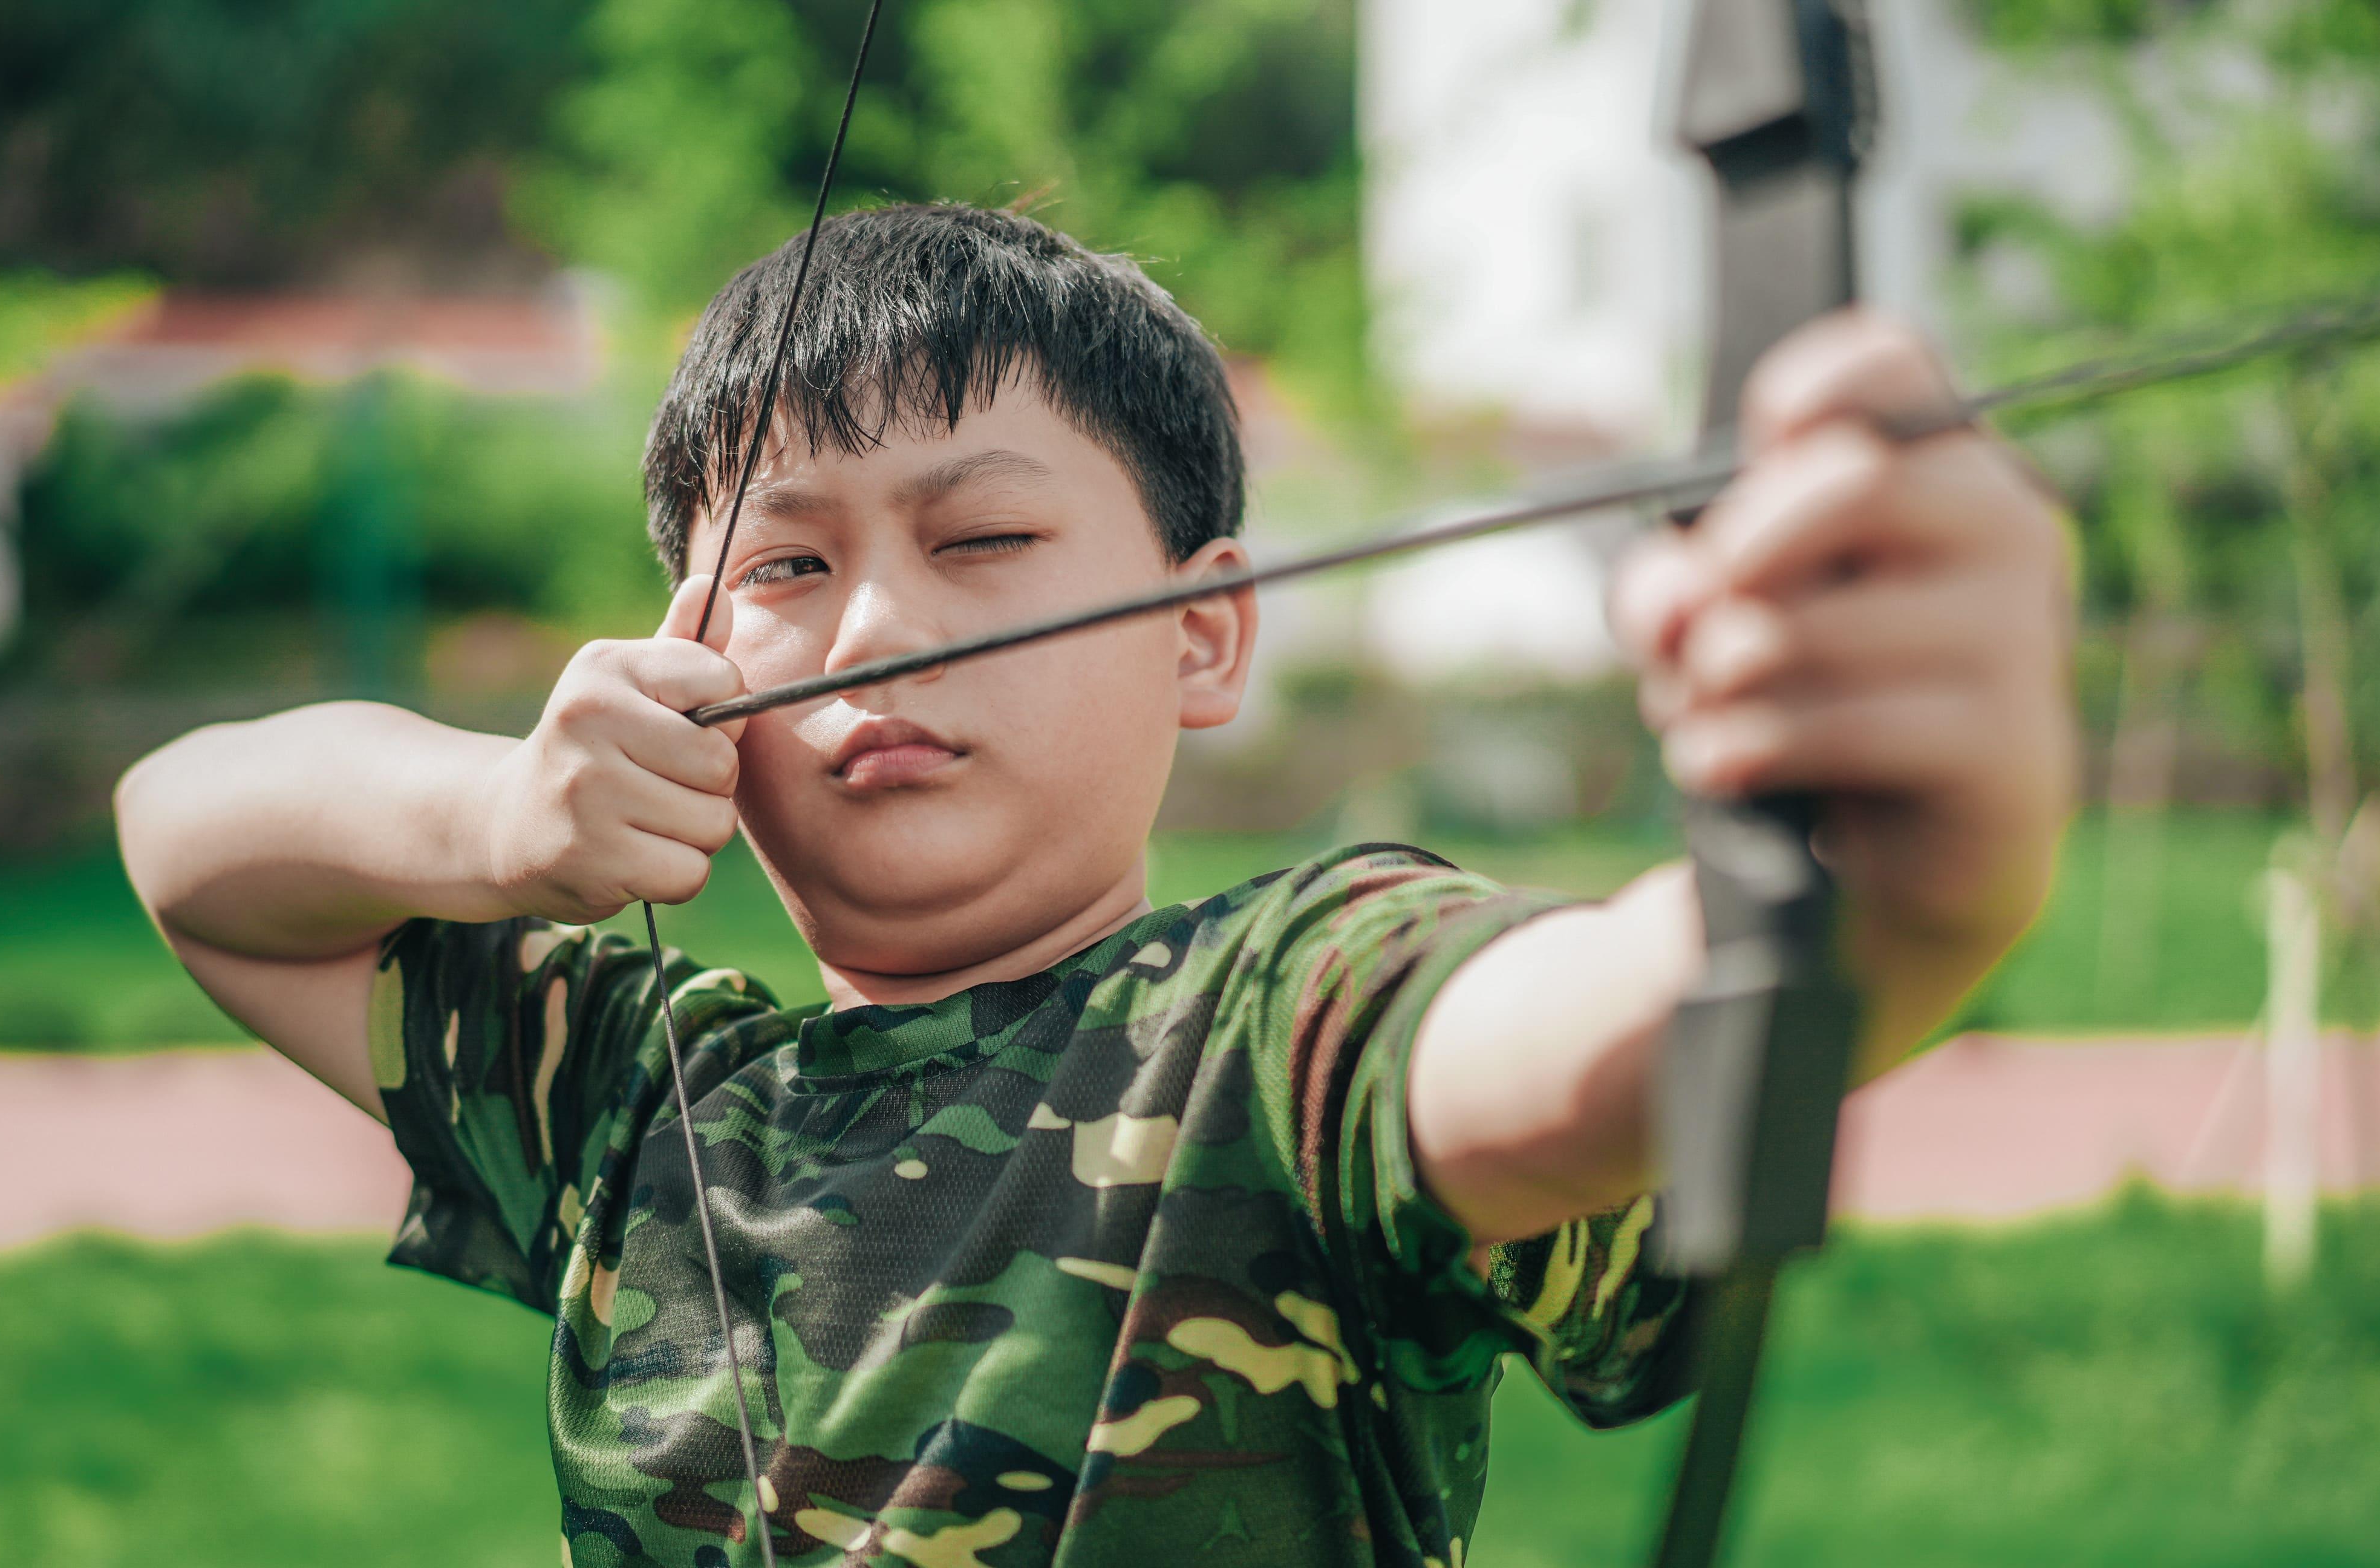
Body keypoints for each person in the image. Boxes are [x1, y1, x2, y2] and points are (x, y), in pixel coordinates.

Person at [116, 203, 2074, 1567]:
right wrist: (493, 826)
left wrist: (1902, 869)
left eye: (983, 537)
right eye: (785, 570)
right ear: (689, 669)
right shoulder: (641, 1101)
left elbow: (1592, 1037)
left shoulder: (1284, 1019)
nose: (879, 624)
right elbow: (190, 844)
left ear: (1206, 634)